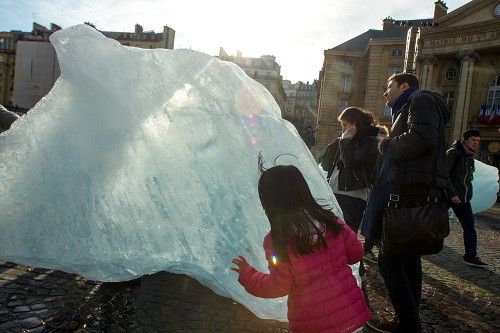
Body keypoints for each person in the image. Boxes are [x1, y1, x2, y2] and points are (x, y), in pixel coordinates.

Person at [231, 165, 371, 333]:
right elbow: (356, 253)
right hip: (352, 315)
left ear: (269, 202)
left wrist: (248, 275)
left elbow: (278, 286)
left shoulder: (278, 241)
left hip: (314, 325)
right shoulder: (332, 221)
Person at [363, 73, 450, 333]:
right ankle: (407, 322)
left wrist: (387, 144)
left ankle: (410, 325)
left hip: (412, 194)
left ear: (404, 86)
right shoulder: (412, 106)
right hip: (415, 192)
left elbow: (422, 138)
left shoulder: (420, 99)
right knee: (409, 260)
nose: (385, 93)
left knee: (388, 263)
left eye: (388, 86)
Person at [317, 107, 379, 234]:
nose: (343, 129)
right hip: (334, 191)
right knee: (331, 234)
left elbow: (351, 163)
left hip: (353, 195)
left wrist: (345, 140)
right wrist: (336, 144)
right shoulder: (345, 140)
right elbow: (325, 163)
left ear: (354, 123)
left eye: (345, 125)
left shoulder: (370, 141)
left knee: (347, 234)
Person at [446, 129, 488, 267]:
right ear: (465, 141)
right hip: (447, 197)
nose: (476, 143)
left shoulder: (470, 158)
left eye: (478, 141)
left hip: (463, 200)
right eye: (473, 140)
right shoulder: (453, 153)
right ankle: (418, 248)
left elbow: (468, 180)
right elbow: (444, 175)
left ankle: (470, 256)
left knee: (470, 227)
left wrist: (467, 195)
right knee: (432, 221)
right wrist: (452, 194)